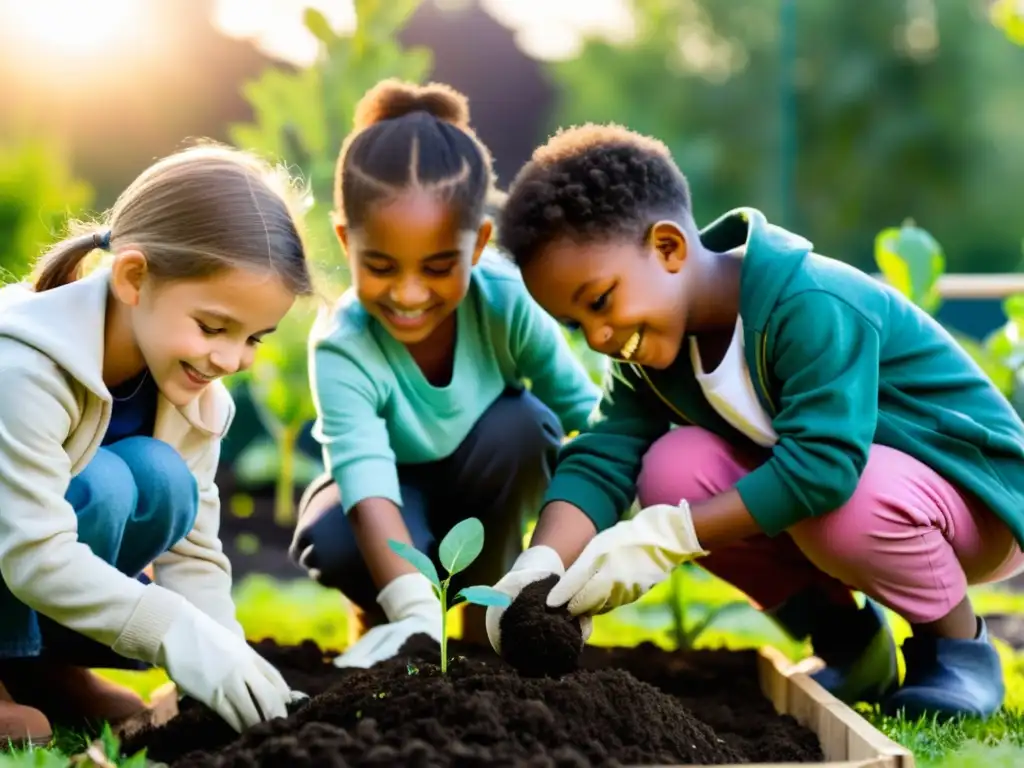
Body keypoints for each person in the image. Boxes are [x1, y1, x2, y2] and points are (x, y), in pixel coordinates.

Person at [484, 122, 1024, 721]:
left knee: (833, 499)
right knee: (670, 470)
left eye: (600, 301)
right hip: (852, 499)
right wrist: (542, 565)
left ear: (668, 248)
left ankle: (956, 648)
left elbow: (823, 467)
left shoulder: (809, 302)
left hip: (972, 501)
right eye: (575, 324)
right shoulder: (656, 356)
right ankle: (849, 639)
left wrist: (667, 539)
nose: (599, 336)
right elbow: (603, 455)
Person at [0, 143, 312, 747]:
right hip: (17, 547)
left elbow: (192, 556)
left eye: (255, 338)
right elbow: (34, 551)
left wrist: (226, 661)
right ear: (134, 277)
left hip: (20, 560)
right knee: (105, 485)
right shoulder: (24, 368)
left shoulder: (194, 397)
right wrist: (177, 634)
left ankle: (43, 672)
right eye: (213, 327)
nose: (229, 359)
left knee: (160, 479)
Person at [290, 79, 601, 669]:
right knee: (331, 533)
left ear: (479, 244)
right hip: (390, 499)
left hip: (485, 486)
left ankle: (494, 614)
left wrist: (630, 522)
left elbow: (586, 414)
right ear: (345, 241)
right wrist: (412, 605)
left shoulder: (506, 302)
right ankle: (386, 614)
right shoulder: (343, 344)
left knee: (521, 426)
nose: (409, 294)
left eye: (437, 268)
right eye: (380, 266)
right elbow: (365, 477)